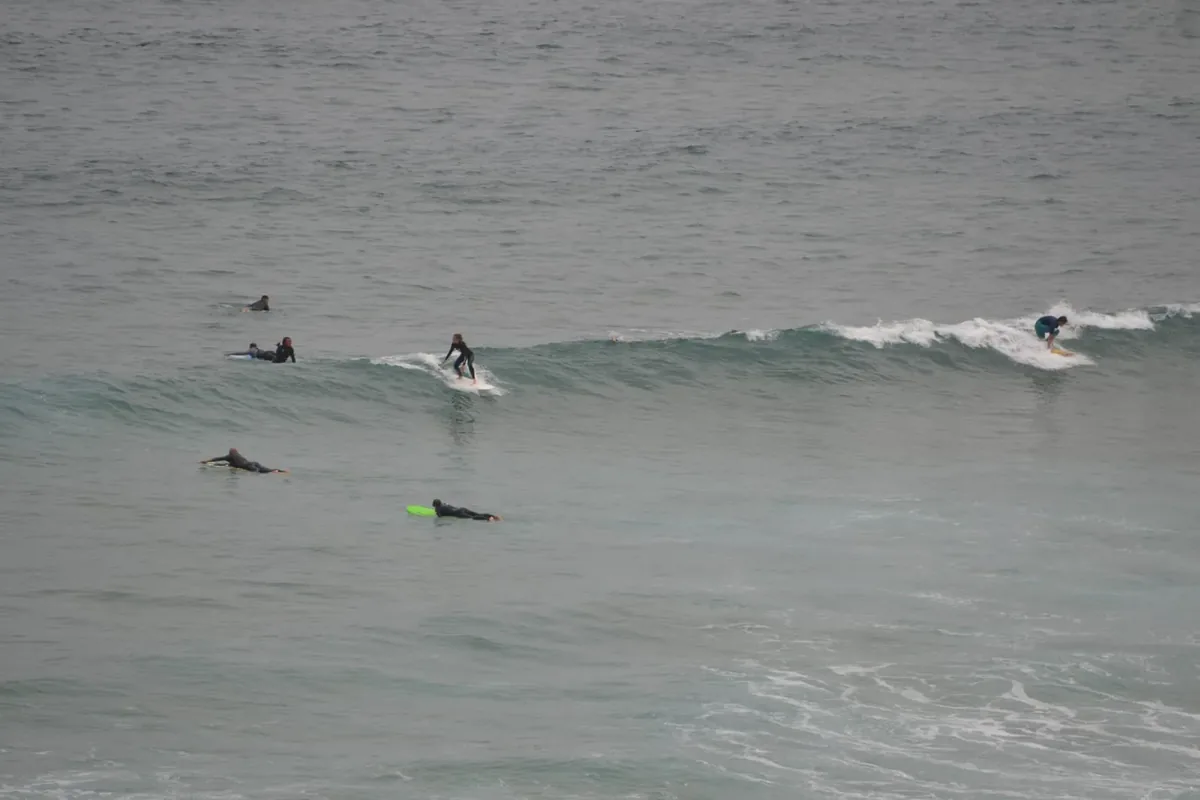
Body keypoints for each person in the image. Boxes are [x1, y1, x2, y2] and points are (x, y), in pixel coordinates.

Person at [200, 448, 288, 474]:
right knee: (267, 470)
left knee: (258, 473)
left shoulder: (229, 456)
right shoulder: (238, 455)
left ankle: (276, 472)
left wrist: (207, 461)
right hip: (253, 463)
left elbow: (217, 459)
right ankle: (280, 471)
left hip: (248, 466)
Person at [432, 499, 500, 521]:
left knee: (473, 518)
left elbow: (439, 516)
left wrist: (437, 513)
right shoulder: (444, 504)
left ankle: (489, 519)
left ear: (435, 505)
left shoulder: (438, 508)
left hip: (458, 513)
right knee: (477, 514)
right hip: (462, 509)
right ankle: (494, 516)